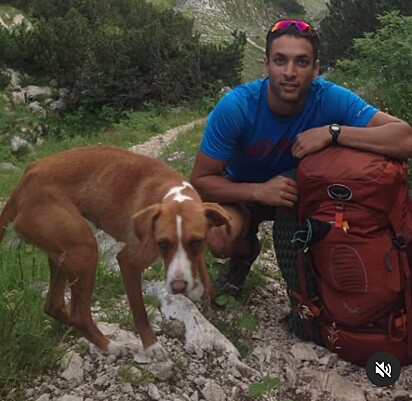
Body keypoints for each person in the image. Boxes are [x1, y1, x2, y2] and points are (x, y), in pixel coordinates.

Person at [190, 19, 412, 296]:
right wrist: (259, 191)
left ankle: (327, 287)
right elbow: (200, 181)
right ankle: (246, 253)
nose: (290, 72)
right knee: (219, 238)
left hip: (309, 197)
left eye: (302, 62)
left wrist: (334, 132)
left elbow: (405, 138)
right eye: (280, 61)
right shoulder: (236, 107)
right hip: (246, 194)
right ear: (266, 65)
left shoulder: (330, 98)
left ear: (315, 69)